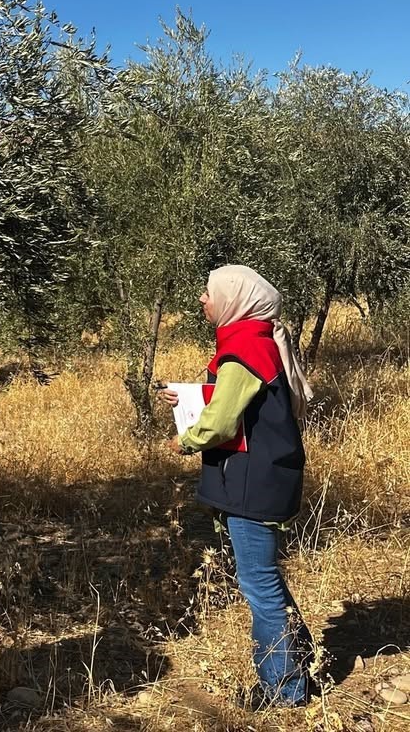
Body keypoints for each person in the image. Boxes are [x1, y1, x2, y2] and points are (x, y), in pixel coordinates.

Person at [160, 264, 317, 710]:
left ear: (233, 298)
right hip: (268, 478)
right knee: (266, 581)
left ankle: (283, 692)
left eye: (209, 293)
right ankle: (299, 668)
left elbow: (223, 422)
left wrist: (186, 439)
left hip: (252, 484)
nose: (203, 300)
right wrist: (192, 396)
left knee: (259, 586)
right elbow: (245, 405)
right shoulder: (258, 341)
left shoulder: (243, 348)